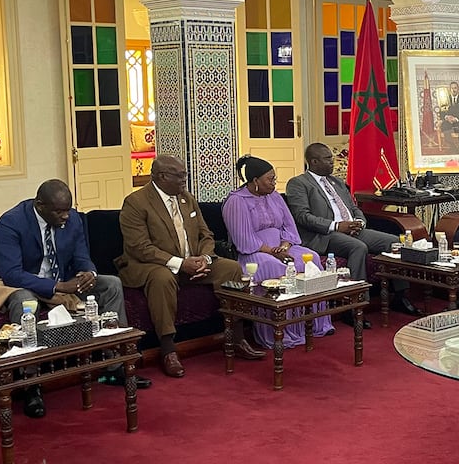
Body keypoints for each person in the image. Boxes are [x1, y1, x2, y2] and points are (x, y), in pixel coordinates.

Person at [0, 179, 147, 419]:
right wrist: (56, 287)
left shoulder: (73, 218)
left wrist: (89, 273)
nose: (65, 216)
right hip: (25, 284)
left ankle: (115, 367)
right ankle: (30, 383)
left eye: (68, 209)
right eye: (59, 211)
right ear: (40, 205)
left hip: (64, 280)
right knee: (25, 301)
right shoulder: (11, 222)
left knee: (111, 284)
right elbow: (12, 274)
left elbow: (82, 257)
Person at [115, 155, 265, 379]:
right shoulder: (136, 202)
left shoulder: (186, 198)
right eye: (180, 175)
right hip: (152, 265)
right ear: (161, 176)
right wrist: (180, 264)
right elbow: (140, 247)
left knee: (231, 268)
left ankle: (236, 337)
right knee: (162, 278)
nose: (185, 179)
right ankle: (168, 350)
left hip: (192, 261)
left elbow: (206, 234)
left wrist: (205, 258)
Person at [285, 143, 419, 323]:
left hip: (352, 229)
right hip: (324, 235)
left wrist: (359, 222)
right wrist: (336, 226)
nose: (332, 162)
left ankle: (400, 296)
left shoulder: (337, 182)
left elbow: (354, 208)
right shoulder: (298, 183)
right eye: (327, 159)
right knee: (358, 247)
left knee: (394, 242)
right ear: (314, 161)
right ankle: (354, 305)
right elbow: (302, 216)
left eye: (331, 158)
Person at [223, 155, 335, 348]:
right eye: (270, 179)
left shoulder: (274, 196)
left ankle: (313, 325)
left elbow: (289, 226)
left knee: (311, 259)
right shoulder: (236, 201)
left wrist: (285, 245)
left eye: (274, 178)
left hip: (282, 247)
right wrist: (273, 251)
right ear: (255, 181)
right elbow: (243, 239)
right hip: (255, 253)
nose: (274, 183)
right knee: (274, 266)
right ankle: (283, 331)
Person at [438, 81, 459, 153]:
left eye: (455, 88)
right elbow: (442, 112)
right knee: (444, 126)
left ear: (458, 89)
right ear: (449, 89)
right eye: (452, 88)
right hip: (449, 121)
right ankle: (452, 147)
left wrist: (456, 119)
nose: (453, 90)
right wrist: (447, 117)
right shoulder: (446, 98)